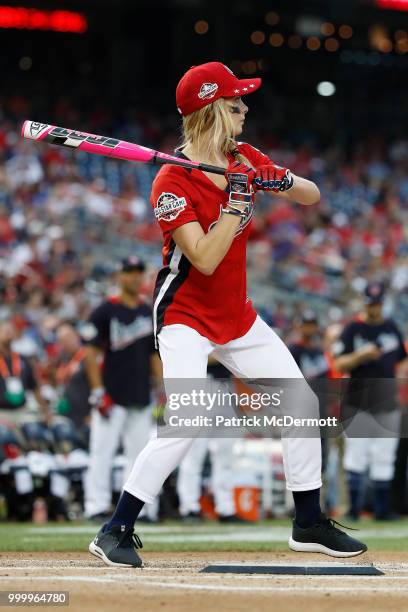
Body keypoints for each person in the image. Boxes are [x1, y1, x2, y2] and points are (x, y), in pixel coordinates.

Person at [89, 62, 367, 567]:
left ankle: (308, 521)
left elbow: (313, 193)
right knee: (189, 417)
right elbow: (205, 258)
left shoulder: (243, 157)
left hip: (236, 315)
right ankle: (116, 528)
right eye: (236, 104)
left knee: (302, 404)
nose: (245, 110)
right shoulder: (171, 182)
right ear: (212, 110)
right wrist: (237, 206)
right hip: (185, 317)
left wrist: (274, 178)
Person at [83, 256, 162, 522]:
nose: (134, 277)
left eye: (138, 272)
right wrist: (97, 390)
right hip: (112, 394)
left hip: (140, 395)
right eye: (129, 272)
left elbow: (154, 355)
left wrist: (162, 388)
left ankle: (135, 510)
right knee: (101, 453)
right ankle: (96, 505)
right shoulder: (105, 310)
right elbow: (90, 353)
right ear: (119, 276)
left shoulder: (146, 311)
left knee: (139, 456)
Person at [333, 282, 407, 520]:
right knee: (357, 455)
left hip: (387, 402)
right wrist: (360, 355)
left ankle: (382, 510)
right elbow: (339, 363)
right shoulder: (352, 329)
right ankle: (354, 510)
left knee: (384, 457)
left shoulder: (391, 327)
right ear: (364, 302)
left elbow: (402, 361)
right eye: (371, 303)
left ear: (382, 303)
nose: (374, 308)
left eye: (377, 303)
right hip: (359, 401)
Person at [0, 319, 50, 424]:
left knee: (34, 430)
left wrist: (45, 411)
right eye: (5, 330)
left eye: (11, 329)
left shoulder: (22, 359)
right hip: (2, 413)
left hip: (22, 411)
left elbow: (35, 387)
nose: (8, 332)